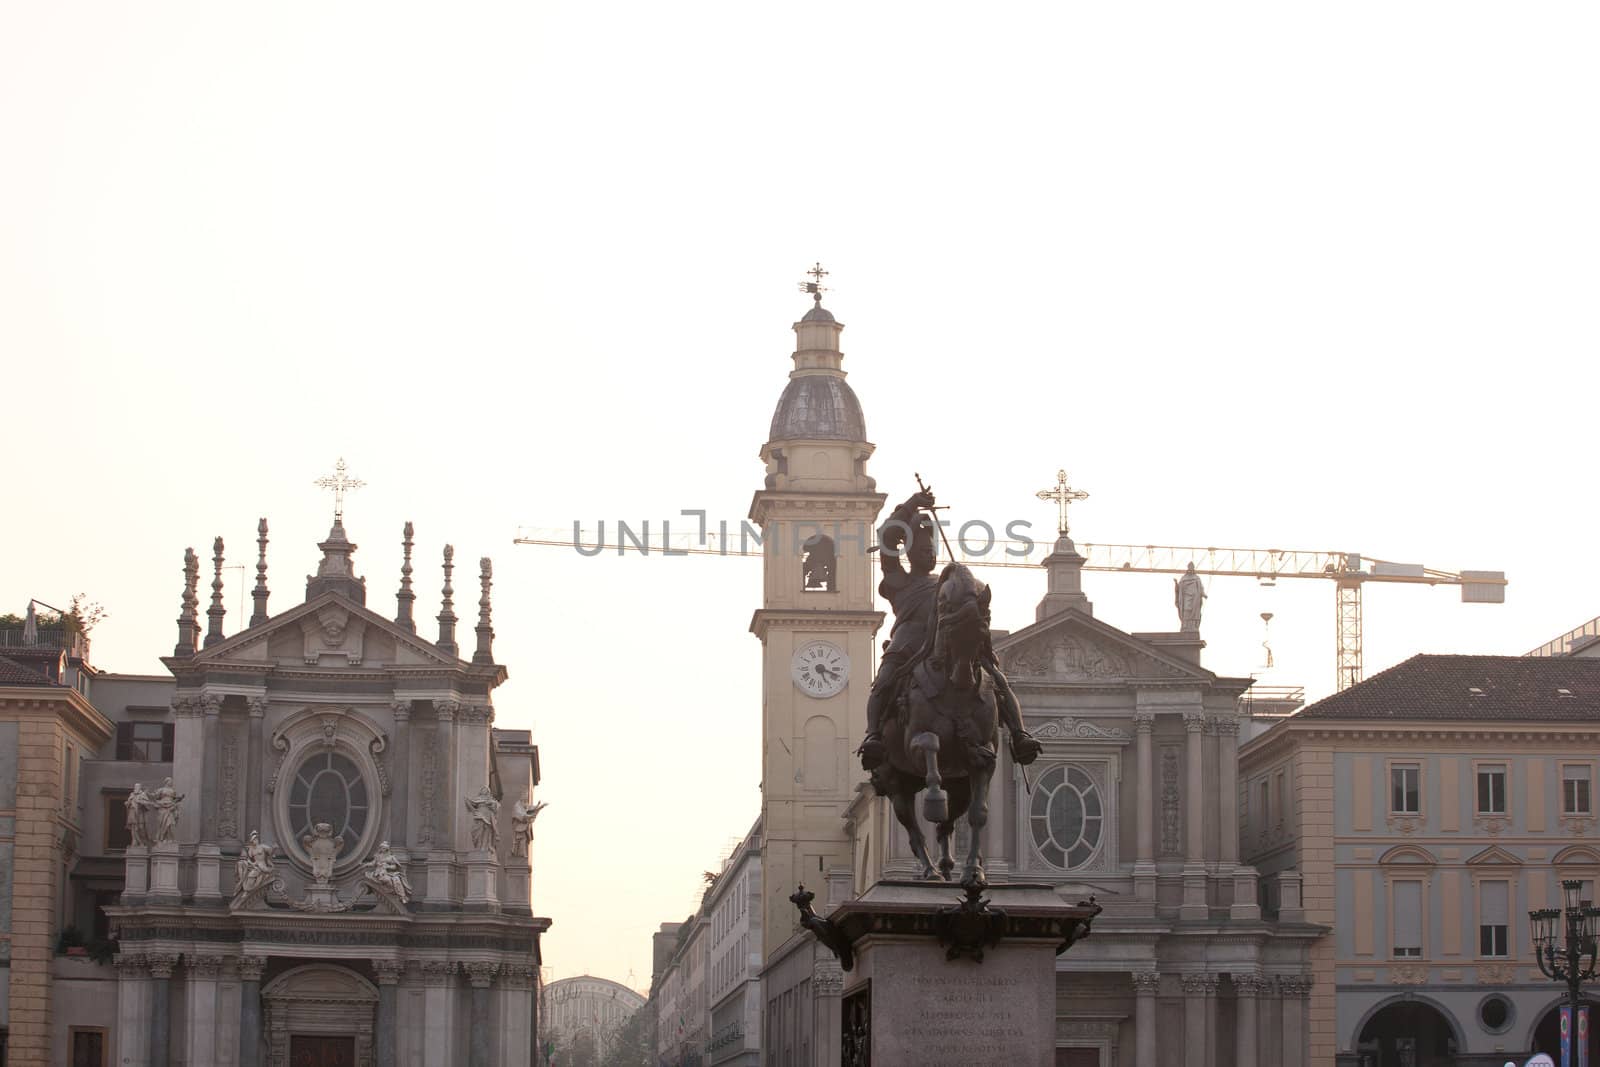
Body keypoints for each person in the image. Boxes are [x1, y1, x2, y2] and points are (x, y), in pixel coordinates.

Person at [859, 490, 940, 770]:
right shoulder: (898, 581)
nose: (929, 554)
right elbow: (887, 537)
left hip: (943, 639)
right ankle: (873, 735)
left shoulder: (945, 581)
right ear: (908, 554)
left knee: (993, 676)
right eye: (923, 550)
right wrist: (911, 506)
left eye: (932, 550)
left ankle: (1017, 733)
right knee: (883, 681)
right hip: (908, 641)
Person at [232, 831, 275, 907]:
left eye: (256, 839)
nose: (255, 841)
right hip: (255, 865)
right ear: (251, 841)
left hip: (262, 866)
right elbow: (249, 859)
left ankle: (246, 891)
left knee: (251, 875)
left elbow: (270, 852)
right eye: (254, 840)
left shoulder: (262, 847)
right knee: (244, 868)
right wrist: (251, 864)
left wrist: (274, 848)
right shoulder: (251, 849)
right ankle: (245, 889)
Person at [464, 786, 501, 854]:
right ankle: (478, 846)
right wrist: (467, 801)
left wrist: (491, 804)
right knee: (477, 830)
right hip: (479, 816)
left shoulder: (490, 799)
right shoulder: (477, 799)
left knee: (487, 832)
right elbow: (471, 804)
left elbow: (496, 806)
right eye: (483, 789)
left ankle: (484, 847)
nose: (484, 790)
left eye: (486, 789)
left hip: (488, 817)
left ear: (488, 792)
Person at [150, 777, 184, 844]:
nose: (171, 782)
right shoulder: (161, 790)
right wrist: (149, 794)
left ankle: (169, 839)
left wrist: (180, 797)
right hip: (162, 807)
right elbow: (155, 796)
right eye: (170, 781)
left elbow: (176, 799)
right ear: (166, 782)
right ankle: (162, 839)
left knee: (169, 824)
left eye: (171, 781)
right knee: (162, 823)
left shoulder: (173, 791)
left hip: (170, 808)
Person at [124, 782, 153, 847]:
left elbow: (147, 803)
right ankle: (135, 841)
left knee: (141, 828)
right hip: (132, 813)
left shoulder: (142, 794)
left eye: (137, 787)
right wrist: (127, 803)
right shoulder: (132, 794)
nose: (136, 788)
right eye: (135, 787)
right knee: (133, 828)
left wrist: (141, 803)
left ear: (140, 788)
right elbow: (128, 802)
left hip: (140, 814)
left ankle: (142, 841)